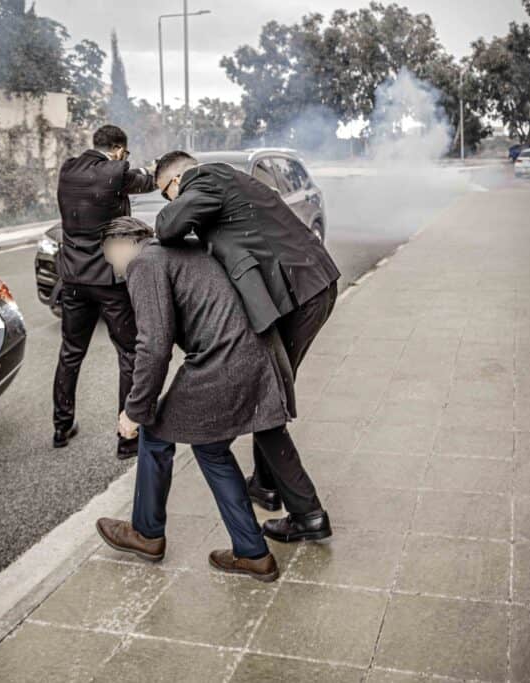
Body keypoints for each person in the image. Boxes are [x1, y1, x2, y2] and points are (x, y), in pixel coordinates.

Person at [152, 151, 339, 543]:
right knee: (266, 390)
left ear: (176, 181)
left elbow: (168, 227)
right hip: (305, 287)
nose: (172, 202)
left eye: (167, 193)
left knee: (264, 396)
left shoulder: (204, 179)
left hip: (301, 292)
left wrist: (172, 205)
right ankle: (268, 486)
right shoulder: (226, 181)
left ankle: (307, 514)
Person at [95, 217, 289, 582]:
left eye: (109, 257)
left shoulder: (144, 262)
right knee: (211, 449)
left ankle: (147, 534)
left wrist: (135, 410)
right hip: (255, 353)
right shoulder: (180, 247)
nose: (113, 269)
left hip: (221, 361)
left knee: (154, 433)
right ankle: (252, 553)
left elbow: (153, 346)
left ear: (120, 243)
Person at [52, 125, 156, 459]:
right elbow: (149, 181)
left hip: (73, 279)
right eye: (124, 153)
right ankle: (127, 440)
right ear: (117, 149)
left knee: (70, 351)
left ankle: (61, 426)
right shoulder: (117, 171)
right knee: (128, 354)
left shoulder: (68, 169)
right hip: (110, 281)